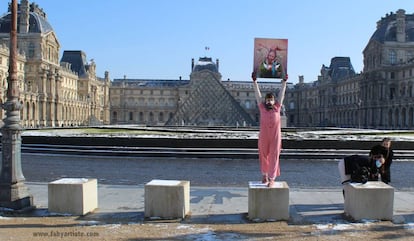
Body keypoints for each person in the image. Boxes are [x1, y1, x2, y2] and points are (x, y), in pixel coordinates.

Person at [251, 71, 287, 187]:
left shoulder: (277, 107)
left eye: (271, 99)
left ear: (274, 100)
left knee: (274, 156)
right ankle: (264, 174)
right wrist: (255, 82)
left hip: (275, 137)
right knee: (263, 155)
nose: (269, 101)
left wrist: (284, 82)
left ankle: (271, 178)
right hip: (264, 136)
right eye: (267, 99)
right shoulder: (262, 108)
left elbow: (281, 94)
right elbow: (257, 95)